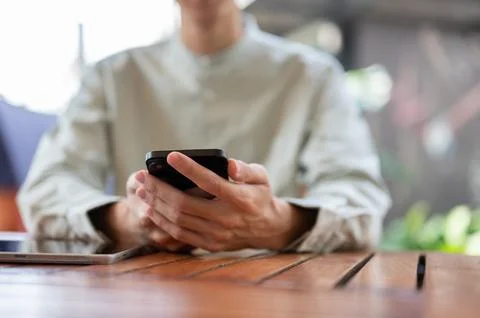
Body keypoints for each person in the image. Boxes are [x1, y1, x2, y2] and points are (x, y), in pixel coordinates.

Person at [17, 0, 391, 253]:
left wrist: (277, 222)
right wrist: (127, 219)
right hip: (144, 295)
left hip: (272, 291)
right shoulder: (111, 77)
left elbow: (360, 198)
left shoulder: (314, 76)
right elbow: (45, 190)